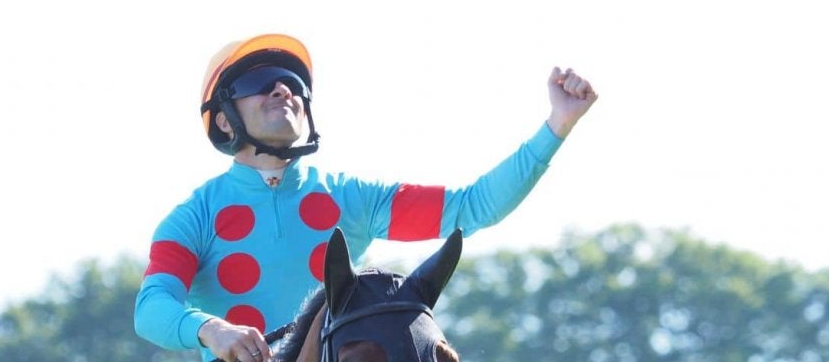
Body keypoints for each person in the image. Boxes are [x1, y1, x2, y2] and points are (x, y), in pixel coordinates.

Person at [134, 33, 598, 362]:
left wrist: (557, 125)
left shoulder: (350, 197)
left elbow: (474, 206)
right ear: (223, 119)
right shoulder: (192, 218)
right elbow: (151, 307)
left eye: (292, 82)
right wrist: (211, 329)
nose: (282, 89)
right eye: (260, 82)